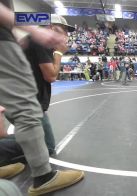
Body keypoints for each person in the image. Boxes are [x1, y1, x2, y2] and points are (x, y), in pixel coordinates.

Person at [0, 2, 84, 195]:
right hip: (6, 43)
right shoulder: (40, 42)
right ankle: (43, 177)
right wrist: (57, 52)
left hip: (8, 37)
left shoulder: (33, 38)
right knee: (45, 144)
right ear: (51, 28)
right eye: (63, 30)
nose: (66, 35)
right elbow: (51, 76)